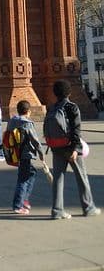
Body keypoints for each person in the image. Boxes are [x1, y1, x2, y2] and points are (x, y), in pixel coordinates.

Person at [47, 79, 101, 219]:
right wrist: (75, 149)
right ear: (69, 92)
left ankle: (57, 211)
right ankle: (88, 208)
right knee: (81, 177)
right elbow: (76, 130)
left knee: (58, 178)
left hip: (56, 147)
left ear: (55, 94)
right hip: (70, 148)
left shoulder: (52, 108)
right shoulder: (72, 107)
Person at [7, 100, 44, 215]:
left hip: (15, 152)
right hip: (25, 153)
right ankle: (18, 205)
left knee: (31, 172)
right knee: (23, 179)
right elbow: (35, 140)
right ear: (28, 111)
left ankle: (24, 199)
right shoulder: (27, 123)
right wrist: (41, 154)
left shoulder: (12, 121)